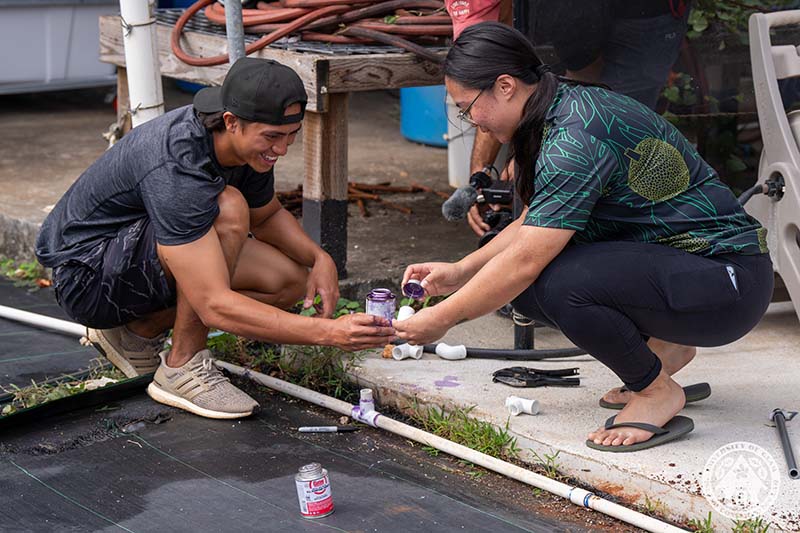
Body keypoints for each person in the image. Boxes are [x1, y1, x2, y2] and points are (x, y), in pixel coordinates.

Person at [394, 22, 773, 452]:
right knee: (526, 285)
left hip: (728, 283)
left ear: (504, 86)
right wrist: (461, 272)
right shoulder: (558, 107)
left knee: (554, 282)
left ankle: (655, 391)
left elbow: (524, 261)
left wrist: (441, 319)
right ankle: (666, 350)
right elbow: (537, 222)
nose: (470, 120)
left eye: (467, 108)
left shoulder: (574, 138)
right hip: (696, 273)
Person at [35, 58, 395, 420]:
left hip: (130, 257)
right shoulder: (179, 161)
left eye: (291, 135)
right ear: (230, 122)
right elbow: (212, 303)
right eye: (272, 136)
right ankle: (182, 366)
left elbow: (266, 215)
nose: (282, 149)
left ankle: (135, 333)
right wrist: (328, 332)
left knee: (288, 282)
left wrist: (321, 259)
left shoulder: (245, 150)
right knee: (227, 207)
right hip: (87, 277)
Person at [449, 1, 691, 237]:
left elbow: (527, 260)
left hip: (645, 15)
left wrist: (532, 150)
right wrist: (479, 178)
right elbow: (491, 95)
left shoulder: (578, 136)